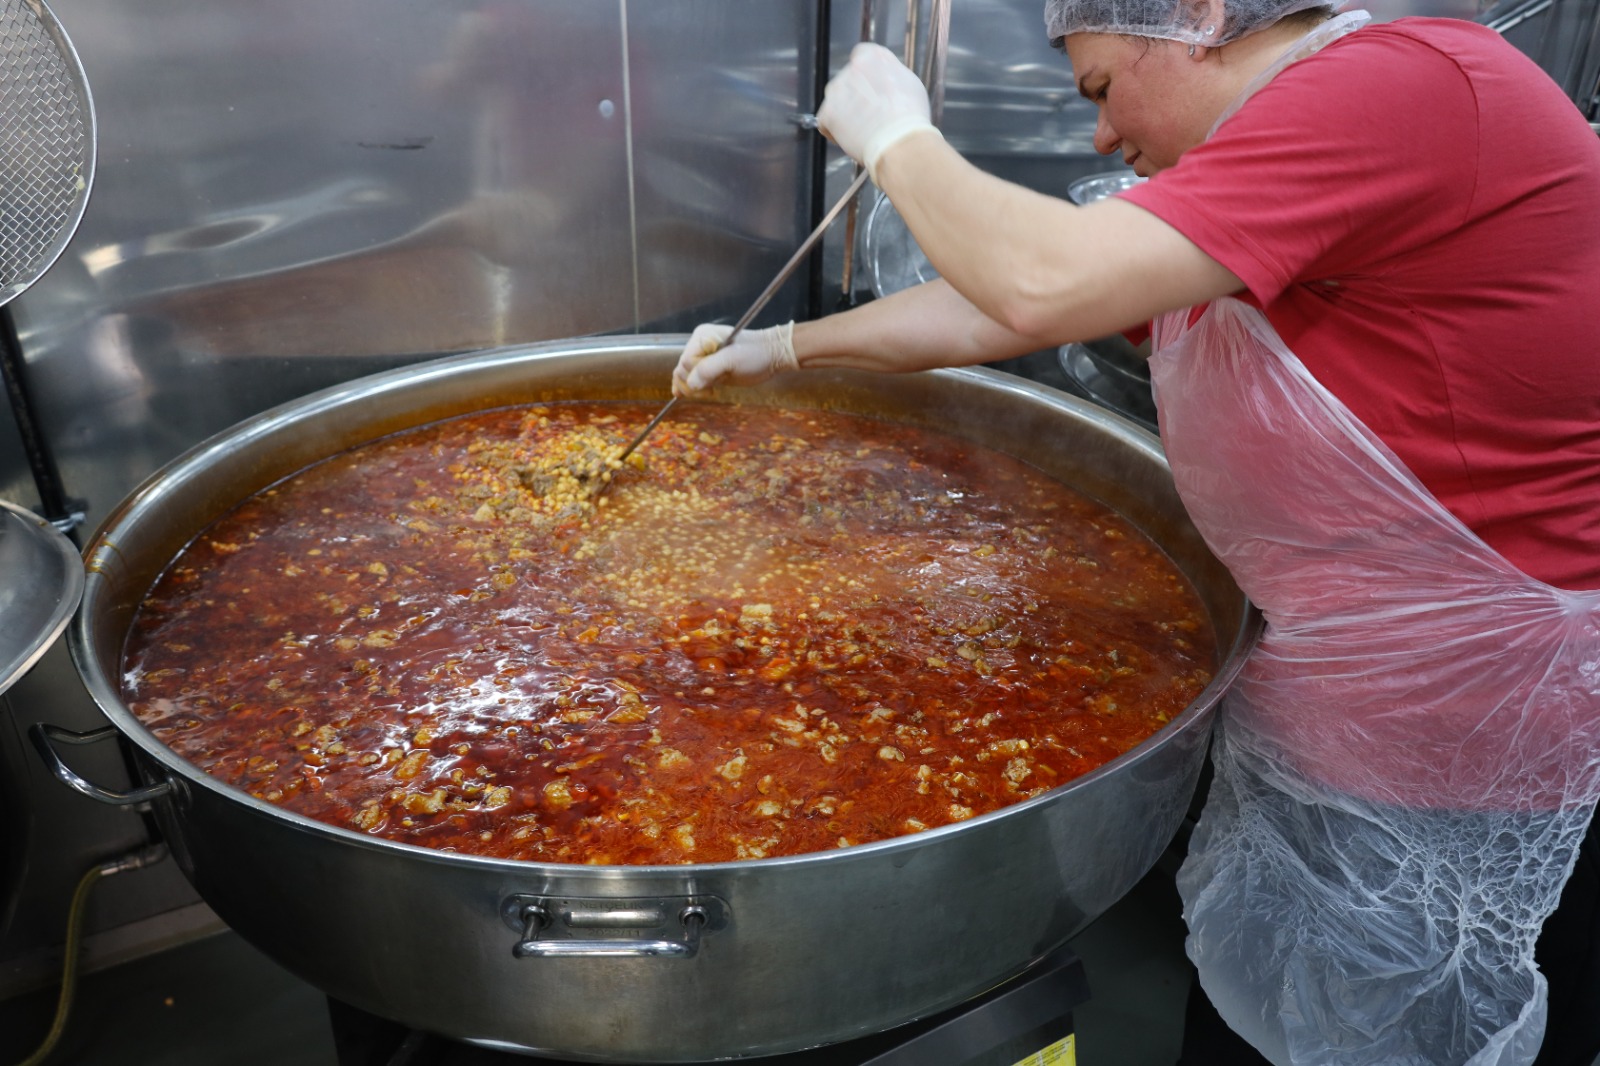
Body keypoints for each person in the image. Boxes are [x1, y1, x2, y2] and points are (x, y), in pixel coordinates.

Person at [671, 3, 1600, 1064]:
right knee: (1279, 1029)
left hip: (1486, 740)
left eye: (1101, 89)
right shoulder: (1269, 169)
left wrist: (897, 139)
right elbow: (1005, 314)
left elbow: (1042, 278)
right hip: (1343, 712)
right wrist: (786, 347)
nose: (1101, 137)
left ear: (1196, 17)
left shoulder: (1405, 82)